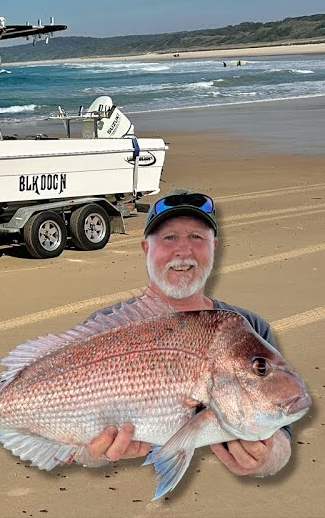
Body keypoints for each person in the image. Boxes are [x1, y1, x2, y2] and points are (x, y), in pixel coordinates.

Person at [82, 189, 294, 477]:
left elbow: (283, 436)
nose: (183, 251)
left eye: (196, 237)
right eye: (169, 237)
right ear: (146, 248)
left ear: (214, 247)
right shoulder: (106, 326)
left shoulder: (249, 328)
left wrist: (268, 457)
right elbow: (73, 445)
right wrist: (95, 453)